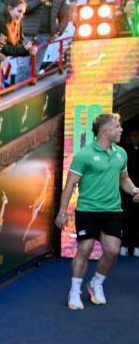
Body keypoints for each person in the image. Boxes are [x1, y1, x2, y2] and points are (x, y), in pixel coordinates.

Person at [56, 114, 139, 310]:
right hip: (88, 210)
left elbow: (124, 179)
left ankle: (96, 283)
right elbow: (69, 186)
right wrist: (61, 212)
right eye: (117, 127)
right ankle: (74, 291)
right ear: (105, 131)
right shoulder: (84, 155)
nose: (121, 130)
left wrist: (135, 190)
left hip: (112, 211)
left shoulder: (121, 154)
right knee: (84, 249)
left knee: (112, 251)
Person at [20, 0, 69, 82]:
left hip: (44, 36)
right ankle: (17, 95)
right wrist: (41, 0)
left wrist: (57, 33)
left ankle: (28, 94)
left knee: (34, 69)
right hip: (27, 35)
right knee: (23, 68)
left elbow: (65, 16)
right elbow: (23, 9)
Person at [0, 0, 37, 83]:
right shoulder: (1, 21)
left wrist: (29, 48)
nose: (21, 15)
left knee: (3, 85)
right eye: (19, 11)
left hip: (5, 60)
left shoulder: (18, 21)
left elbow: (20, 40)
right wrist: (24, 49)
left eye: (23, 13)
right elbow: (2, 47)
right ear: (9, 9)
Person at [120, 126, 139, 257]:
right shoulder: (124, 152)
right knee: (125, 218)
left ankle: (137, 246)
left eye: (137, 135)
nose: (135, 138)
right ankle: (124, 245)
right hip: (126, 190)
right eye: (133, 135)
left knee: (138, 219)